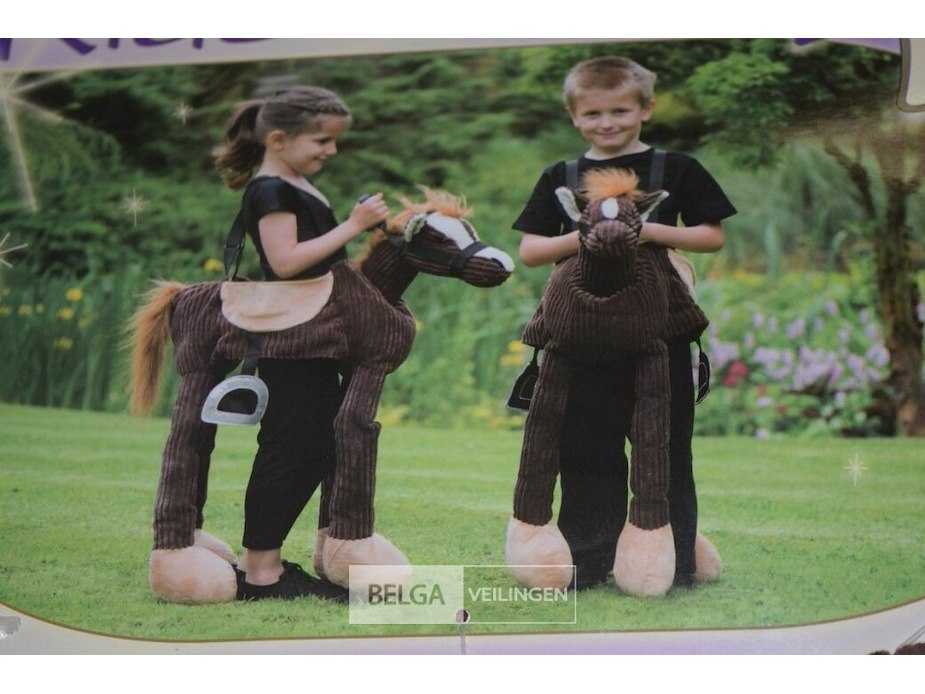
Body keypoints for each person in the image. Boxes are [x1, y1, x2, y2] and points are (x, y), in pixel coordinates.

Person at [512, 56, 737, 590]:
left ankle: (673, 561)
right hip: (583, 332)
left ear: (646, 108)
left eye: (620, 111)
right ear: (574, 116)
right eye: (593, 113)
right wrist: (591, 236)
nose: (607, 122)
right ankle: (589, 559)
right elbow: (531, 250)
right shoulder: (561, 176)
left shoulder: (676, 169)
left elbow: (711, 236)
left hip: (660, 332)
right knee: (586, 445)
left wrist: (650, 232)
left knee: (666, 446)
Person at [213, 86, 389, 600]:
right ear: (278, 139)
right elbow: (285, 262)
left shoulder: (296, 183)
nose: (331, 150)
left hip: (316, 332)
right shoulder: (270, 189)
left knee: (313, 447)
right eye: (321, 141)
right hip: (292, 338)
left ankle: (263, 563)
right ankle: (260, 573)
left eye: (334, 141)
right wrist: (354, 226)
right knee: (289, 447)